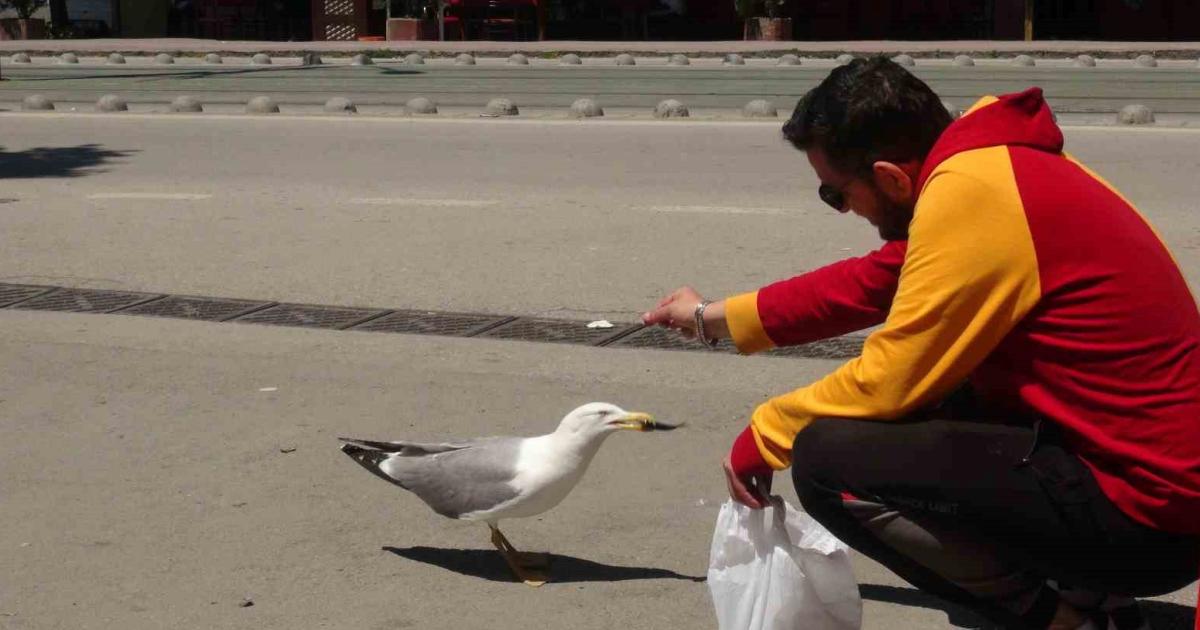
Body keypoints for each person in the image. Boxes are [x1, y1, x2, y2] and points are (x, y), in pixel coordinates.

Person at [642, 57, 1200, 630]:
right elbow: (871, 283)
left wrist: (766, 433)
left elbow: (891, 379)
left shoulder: (972, 195)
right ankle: (1085, 590)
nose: (844, 210)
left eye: (836, 194)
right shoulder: (996, 167)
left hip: (1148, 518)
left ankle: (1066, 619)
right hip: (1150, 485)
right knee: (938, 399)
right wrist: (710, 317)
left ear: (890, 177)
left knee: (826, 459)